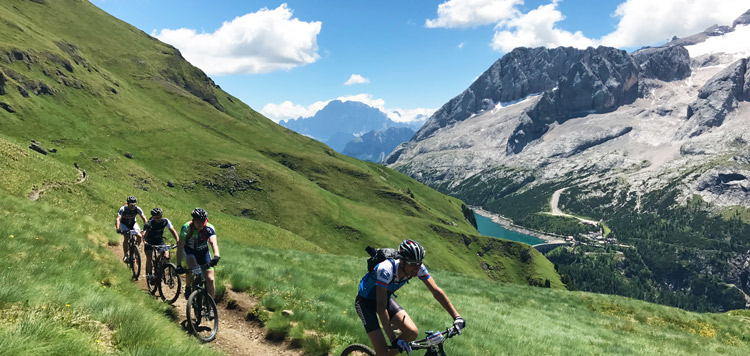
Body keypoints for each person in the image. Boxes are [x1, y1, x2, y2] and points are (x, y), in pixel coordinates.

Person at [355, 239, 465, 356]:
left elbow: (436, 291)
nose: (416, 268)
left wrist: (457, 317)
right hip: (365, 303)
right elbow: (381, 308)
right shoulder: (385, 269)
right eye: (412, 264)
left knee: (412, 332)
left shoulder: (417, 268)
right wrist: (394, 340)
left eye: (419, 264)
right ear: (402, 262)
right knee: (381, 351)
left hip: (384, 299)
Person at [176, 208, 221, 300]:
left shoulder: (209, 228)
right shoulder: (186, 228)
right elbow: (180, 247)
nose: (200, 223)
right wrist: (179, 265)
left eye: (203, 221)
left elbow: (213, 243)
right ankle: (188, 287)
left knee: (211, 280)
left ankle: (211, 306)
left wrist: (216, 256)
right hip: (190, 251)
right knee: (193, 267)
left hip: (203, 253)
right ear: (193, 220)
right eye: (198, 221)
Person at [143, 207, 180, 284]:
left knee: (166, 256)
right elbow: (144, 235)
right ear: (153, 217)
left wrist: (178, 240)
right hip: (149, 242)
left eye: (160, 216)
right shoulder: (149, 223)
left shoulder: (165, 221)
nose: (159, 218)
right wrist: (145, 242)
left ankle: (161, 269)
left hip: (160, 241)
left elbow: (172, 230)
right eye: (157, 217)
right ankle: (149, 275)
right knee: (149, 257)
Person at [115, 196, 147, 263]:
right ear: (128, 204)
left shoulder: (137, 209)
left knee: (139, 236)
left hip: (133, 224)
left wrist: (146, 227)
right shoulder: (123, 208)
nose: (133, 206)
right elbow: (118, 219)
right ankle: (125, 254)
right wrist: (118, 228)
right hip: (124, 224)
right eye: (131, 205)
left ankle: (136, 249)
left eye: (134, 205)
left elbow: (144, 218)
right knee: (126, 237)